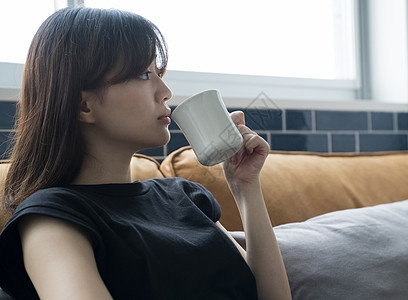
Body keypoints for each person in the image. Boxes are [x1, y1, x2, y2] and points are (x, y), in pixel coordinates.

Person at [0, 6, 291, 300]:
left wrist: (245, 188)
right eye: (143, 74)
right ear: (83, 106)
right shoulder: (52, 218)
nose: (165, 91)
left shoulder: (183, 196)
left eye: (158, 73)